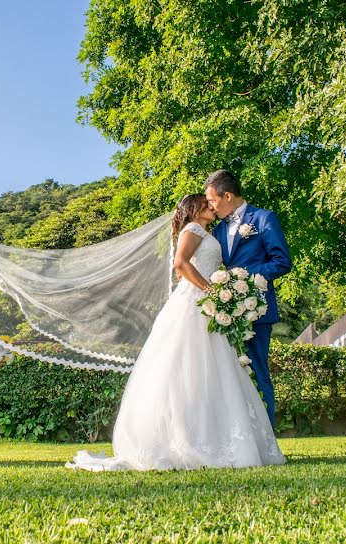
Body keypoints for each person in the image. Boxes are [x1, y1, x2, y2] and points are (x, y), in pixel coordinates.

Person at [68, 194, 285, 471]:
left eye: (211, 201)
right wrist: (210, 290)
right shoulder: (193, 229)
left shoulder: (209, 231)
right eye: (205, 203)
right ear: (193, 208)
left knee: (209, 371)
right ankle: (183, 441)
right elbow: (181, 263)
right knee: (186, 368)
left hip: (204, 305)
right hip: (194, 303)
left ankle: (210, 436)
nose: (210, 206)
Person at [206, 169, 292, 427]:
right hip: (226, 314)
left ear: (228, 195)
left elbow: (282, 262)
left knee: (257, 371)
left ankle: (267, 438)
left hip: (257, 308)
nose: (210, 206)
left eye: (213, 200)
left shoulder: (264, 218)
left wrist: (244, 279)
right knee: (230, 377)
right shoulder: (218, 229)